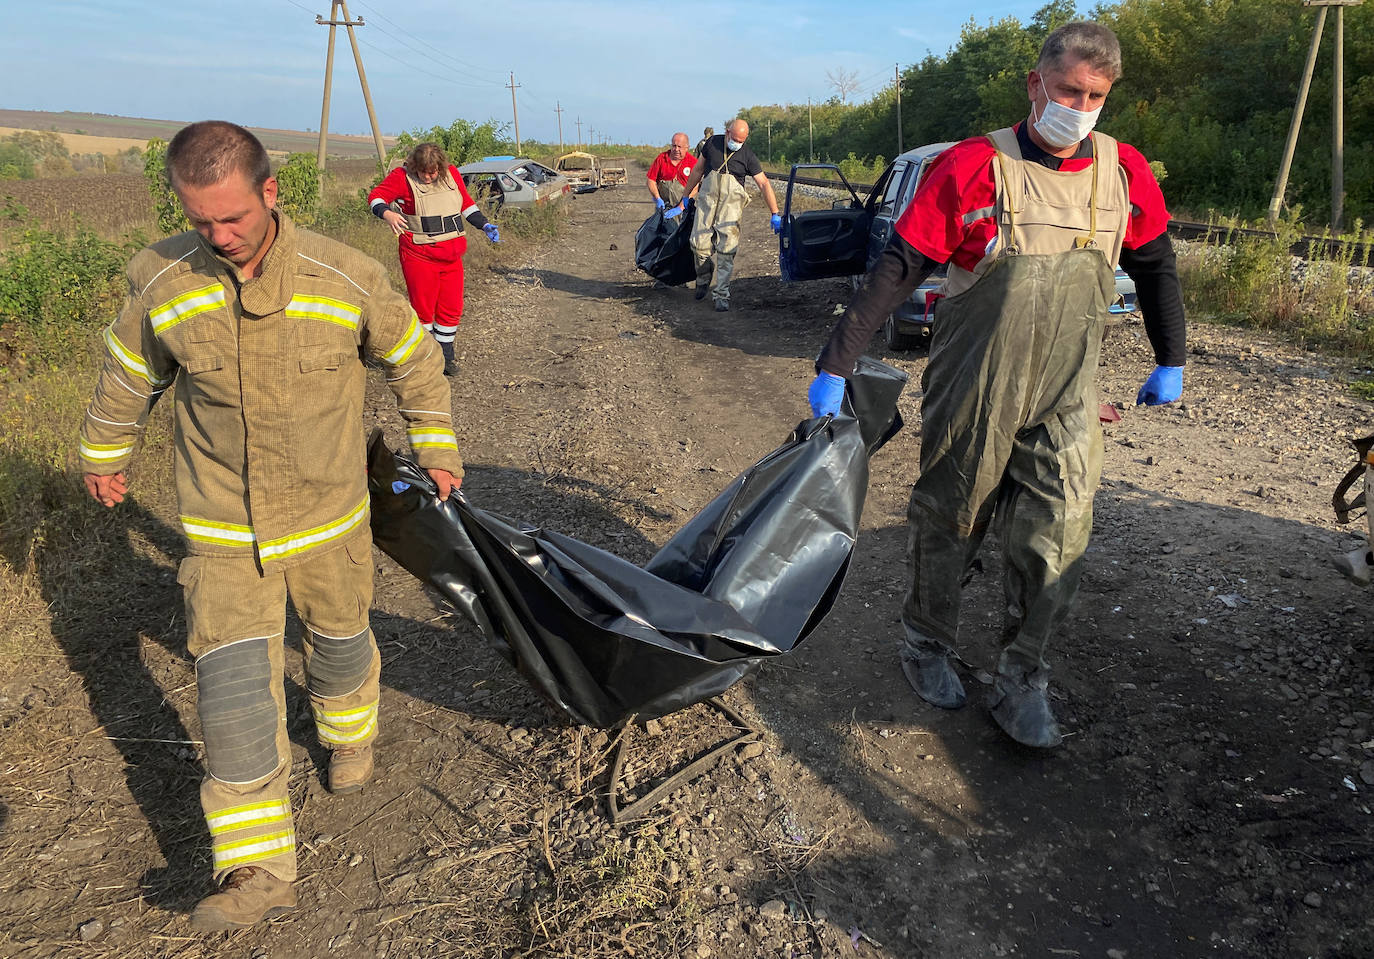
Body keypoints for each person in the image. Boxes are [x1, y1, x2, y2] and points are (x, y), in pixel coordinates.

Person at [78, 121, 463, 929]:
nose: (219, 237)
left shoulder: (343, 275)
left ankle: (348, 735)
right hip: (223, 529)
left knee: (341, 641)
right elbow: (129, 373)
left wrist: (437, 447)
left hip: (330, 517)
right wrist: (104, 454)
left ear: (271, 192)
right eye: (201, 221)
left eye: (234, 218)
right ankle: (255, 867)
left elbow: (414, 356)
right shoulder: (166, 280)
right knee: (230, 689)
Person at [806, 22, 1187, 748]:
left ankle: (1022, 677)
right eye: (1068, 90)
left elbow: (1156, 265)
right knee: (952, 518)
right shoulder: (974, 165)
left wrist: (1172, 356)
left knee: (1059, 534)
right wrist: (836, 360)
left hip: (1067, 392)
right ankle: (925, 641)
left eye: (1095, 96)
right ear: (1036, 83)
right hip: (975, 385)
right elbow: (901, 267)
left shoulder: (1124, 171)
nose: (1079, 107)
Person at [368, 142, 500, 376]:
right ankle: (426, 360)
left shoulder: (452, 174)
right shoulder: (402, 177)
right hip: (419, 255)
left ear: (440, 167)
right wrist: (387, 213)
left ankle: (446, 358)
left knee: (451, 308)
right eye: (423, 172)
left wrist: (484, 224)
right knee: (424, 311)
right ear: (415, 167)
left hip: (452, 256)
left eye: (433, 172)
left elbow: (466, 205)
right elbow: (375, 197)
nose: (428, 177)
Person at [665, 119, 782, 312]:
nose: (738, 143)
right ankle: (703, 278)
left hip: (731, 207)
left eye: (741, 141)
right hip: (707, 203)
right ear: (727, 132)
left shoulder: (747, 155)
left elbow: (763, 183)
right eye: (735, 139)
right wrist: (685, 198)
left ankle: (721, 295)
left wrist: (775, 213)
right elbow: (698, 170)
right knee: (698, 245)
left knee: (727, 250)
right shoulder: (712, 144)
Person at [646, 132, 698, 210]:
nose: (676, 149)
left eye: (679, 147)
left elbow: (695, 187)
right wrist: (657, 198)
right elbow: (651, 180)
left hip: (685, 208)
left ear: (687, 147)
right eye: (674, 146)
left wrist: (681, 207)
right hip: (664, 207)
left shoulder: (693, 162)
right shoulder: (662, 158)